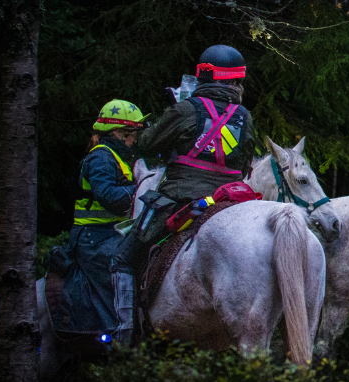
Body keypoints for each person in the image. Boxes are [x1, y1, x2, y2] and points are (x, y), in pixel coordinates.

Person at [112, 44, 256, 342]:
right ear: (236, 80)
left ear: (205, 76)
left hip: (179, 198)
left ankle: (122, 337)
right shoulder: (244, 116)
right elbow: (244, 163)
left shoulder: (187, 107)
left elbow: (148, 144)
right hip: (226, 201)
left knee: (123, 259)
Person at [51, 99, 144, 336]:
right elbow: (109, 197)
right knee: (124, 268)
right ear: (117, 132)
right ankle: (121, 333)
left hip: (109, 233)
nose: (135, 140)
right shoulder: (101, 157)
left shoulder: (117, 156)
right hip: (93, 238)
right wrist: (143, 188)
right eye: (132, 134)